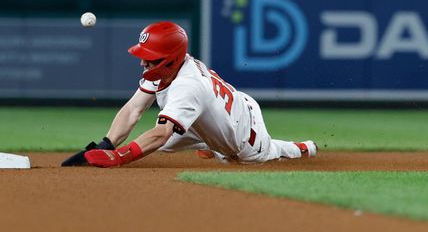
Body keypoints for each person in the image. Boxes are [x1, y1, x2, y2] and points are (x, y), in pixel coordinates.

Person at [61, 21, 317, 168]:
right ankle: (207, 140)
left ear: (170, 60)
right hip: (219, 112)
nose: (142, 64)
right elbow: (133, 110)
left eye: (149, 59)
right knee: (167, 143)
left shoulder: (187, 86)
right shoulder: (168, 70)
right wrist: (107, 144)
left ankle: (304, 147)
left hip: (246, 137)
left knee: (256, 155)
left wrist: (119, 156)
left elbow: (160, 135)